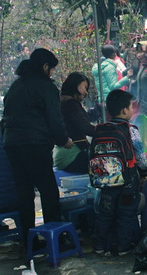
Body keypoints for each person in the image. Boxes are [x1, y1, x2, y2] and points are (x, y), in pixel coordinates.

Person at [1, 48, 73, 250]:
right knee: (48, 191)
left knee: (24, 194)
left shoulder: (16, 86)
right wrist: (63, 140)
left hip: (12, 145)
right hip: (35, 145)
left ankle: (29, 241)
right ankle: (56, 240)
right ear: (44, 67)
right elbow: (54, 119)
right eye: (51, 69)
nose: (52, 73)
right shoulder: (45, 86)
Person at [93, 89, 147, 256]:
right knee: (126, 214)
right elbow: (139, 156)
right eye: (131, 106)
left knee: (105, 214)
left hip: (105, 180)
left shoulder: (101, 129)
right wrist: (144, 173)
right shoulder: (130, 130)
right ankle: (124, 247)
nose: (132, 109)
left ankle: (100, 246)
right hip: (127, 181)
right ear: (125, 110)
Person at [54, 72, 96, 174]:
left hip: (62, 155)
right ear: (75, 85)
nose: (86, 92)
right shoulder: (70, 103)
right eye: (84, 87)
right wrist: (105, 129)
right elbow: (85, 127)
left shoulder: (63, 100)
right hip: (70, 156)